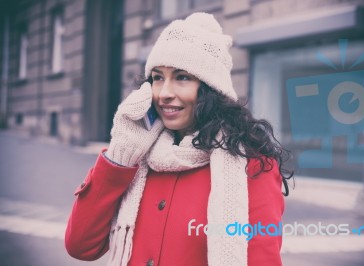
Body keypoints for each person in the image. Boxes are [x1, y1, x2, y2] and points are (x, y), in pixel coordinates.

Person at [65, 12, 292, 266]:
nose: (164, 93)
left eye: (182, 77)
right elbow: (81, 246)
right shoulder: (135, 155)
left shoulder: (252, 164)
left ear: (209, 88)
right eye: (158, 77)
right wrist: (120, 154)